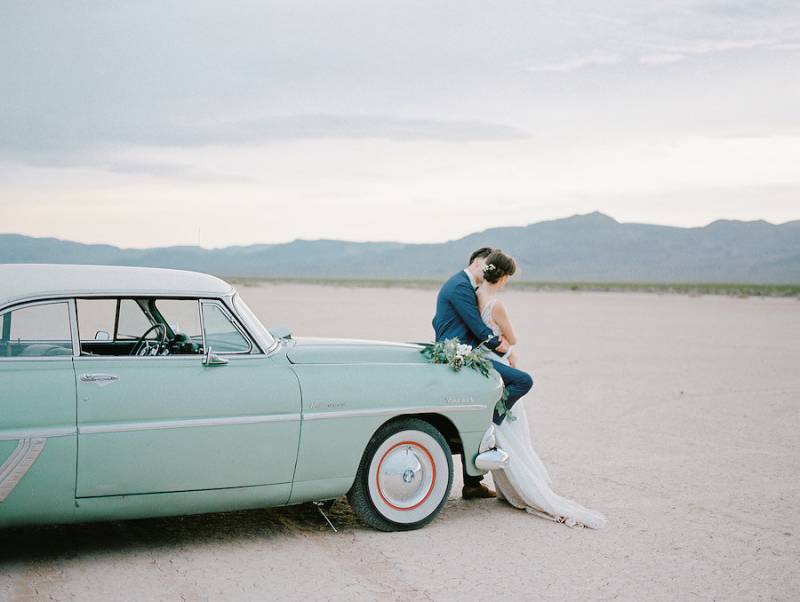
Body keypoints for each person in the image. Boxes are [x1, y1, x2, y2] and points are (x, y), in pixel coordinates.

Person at [476, 250, 607, 528]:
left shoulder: (475, 294)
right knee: (513, 428)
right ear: (501, 276)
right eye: (508, 277)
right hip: (497, 363)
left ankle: (507, 487)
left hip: (486, 362)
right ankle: (521, 488)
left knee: (506, 434)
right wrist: (509, 346)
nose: (507, 283)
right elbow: (512, 337)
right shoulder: (496, 304)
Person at [432, 247, 534, 499]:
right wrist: (504, 348)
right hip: (459, 355)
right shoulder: (461, 286)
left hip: (467, 352)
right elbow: (478, 327)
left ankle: (473, 483)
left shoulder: (473, 289)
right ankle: (491, 424)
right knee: (522, 381)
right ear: (478, 263)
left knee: (487, 399)